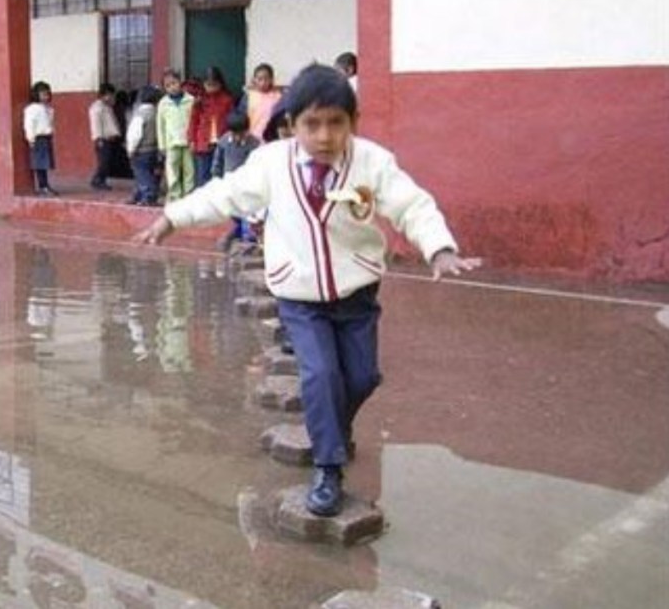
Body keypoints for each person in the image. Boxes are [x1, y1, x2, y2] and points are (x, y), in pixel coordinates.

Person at [134, 64, 481, 517]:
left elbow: (410, 205)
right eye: (311, 124)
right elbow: (223, 194)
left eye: (336, 123)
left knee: (361, 377)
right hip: (299, 296)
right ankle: (328, 468)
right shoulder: (270, 165)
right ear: (290, 125)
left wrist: (439, 249)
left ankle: (334, 428)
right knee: (320, 375)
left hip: (356, 294)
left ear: (352, 123)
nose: (323, 136)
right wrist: (171, 218)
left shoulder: (371, 162)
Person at [211, 111, 261, 251]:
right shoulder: (223, 142)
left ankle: (246, 243)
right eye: (235, 134)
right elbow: (217, 163)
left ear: (247, 131)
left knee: (247, 217)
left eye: (241, 134)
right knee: (235, 216)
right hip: (229, 187)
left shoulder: (255, 145)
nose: (238, 137)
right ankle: (234, 237)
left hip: (248, 187)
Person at [188, 66, 236, 189]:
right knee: (203, 174)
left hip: (221, 142)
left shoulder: (227, 99)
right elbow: (193, 121)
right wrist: (192, 140)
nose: (211, 88)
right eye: (208, 85)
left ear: (220, 84)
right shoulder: (199, 101)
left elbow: (232, 121)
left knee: (219, 174)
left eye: (214, 84)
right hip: (203, 143)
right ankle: (202, 202)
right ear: (203, 84)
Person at [156, 68, 195, 202]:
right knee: (172, 171)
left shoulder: (190, 100)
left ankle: (188, 195)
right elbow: (160, 126)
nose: (172, 87)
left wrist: (193, 139)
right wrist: (162, 145)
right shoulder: (163, 103)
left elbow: (195, 122)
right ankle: (175, 196)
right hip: (171, 143)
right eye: (167, 85)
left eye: (174, 83)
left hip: (188, 142)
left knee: (189, 170)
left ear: (180, 82)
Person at [125, 85, 161, 206]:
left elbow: (135, 134)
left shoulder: (140, 114)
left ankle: (148, 195)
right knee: (148, 173)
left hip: (141, 150)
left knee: (142, 174)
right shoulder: (157, 112)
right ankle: (138, 195)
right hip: (154, 149)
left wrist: (130, 149)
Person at [24, 80, 59, 197]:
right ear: (36, 94)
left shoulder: (48, 108)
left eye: (47, 94)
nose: (46, 96)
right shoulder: (32, 109)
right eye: (43, 94)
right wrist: (31, 139)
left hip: (47, 138)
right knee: (40, 164)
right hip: (38, 138)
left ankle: (46, 185)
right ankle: (42, 186)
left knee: (45, 163)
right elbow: (29, 125)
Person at [236, 63, 282, 143]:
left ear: (271, 79)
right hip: (251, 139)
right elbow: (240, 118)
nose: (263, 82)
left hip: (271, 140)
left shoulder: (278, 97)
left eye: (266, 79)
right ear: (254, 79)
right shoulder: (248, 97)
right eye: (259, 79)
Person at [88, 83, 121, 191]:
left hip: (109, 138)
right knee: (104, 162)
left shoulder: (107, 107)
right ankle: (97, 180)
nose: (111, 97)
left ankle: (101, 180)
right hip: (102, 139)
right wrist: (98, 138)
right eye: (109, 95)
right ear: (102, 95)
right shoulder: (97, 108)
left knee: (107, 161)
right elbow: (96, 124)